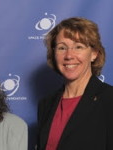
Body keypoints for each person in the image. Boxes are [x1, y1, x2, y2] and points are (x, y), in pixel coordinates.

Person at [37, 17, 113, 150]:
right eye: (62, 48)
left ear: (94, 54)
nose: (69, 55)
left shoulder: (109, 100)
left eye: (78, 47)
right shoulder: (46, 104)